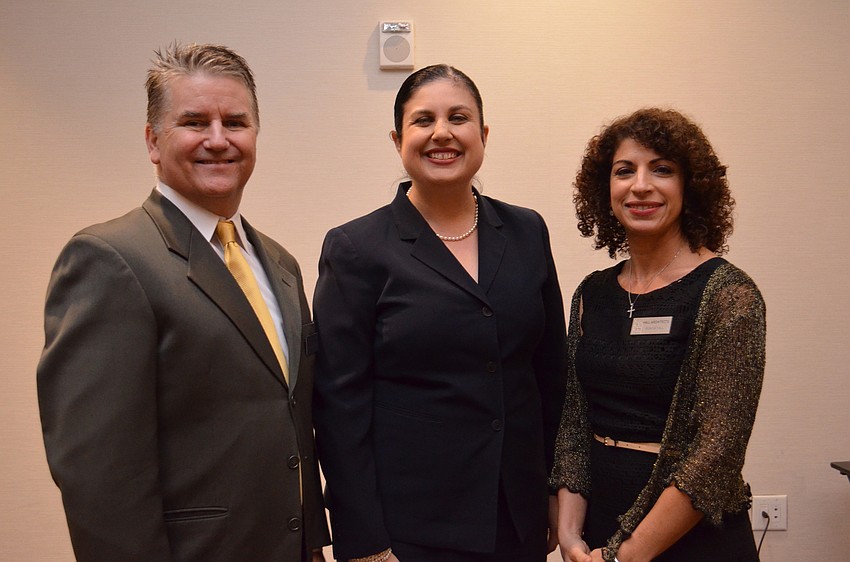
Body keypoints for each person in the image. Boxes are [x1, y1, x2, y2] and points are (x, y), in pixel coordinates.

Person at [37, 43, 330, 562]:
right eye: (194, 122)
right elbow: (99, 477)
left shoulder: (281, 265)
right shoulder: (110, 259)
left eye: (235, 122)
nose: (218, 140)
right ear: (153, 141)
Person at [312, 64, 568, 562]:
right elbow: (339, 409)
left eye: (459, 117)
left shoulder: (526, 231)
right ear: (397, 138)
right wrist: (364, 541)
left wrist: (557, 492)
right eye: (423, 120)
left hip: (517, 519)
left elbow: (551, 376)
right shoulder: (357, 248)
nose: (442, 133)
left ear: (483, 134)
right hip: (409, 532)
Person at [550, 108, 766, 562]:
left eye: (662, 170)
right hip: (596, 530)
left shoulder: (730, 295)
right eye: (624, 170)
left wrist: (626, 556)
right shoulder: (592, 292)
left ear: (691, 187)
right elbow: (573, 422)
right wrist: (569, 536)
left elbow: (717, 453)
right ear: (604, 189)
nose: (641, 185)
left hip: (692, 539)